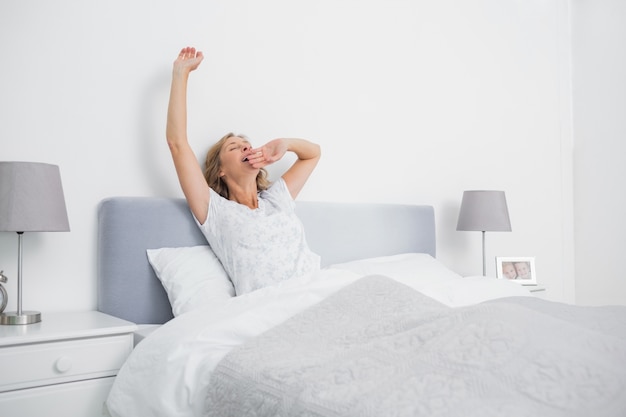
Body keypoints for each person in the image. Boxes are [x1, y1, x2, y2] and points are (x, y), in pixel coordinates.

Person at [166, 46, 322, 295]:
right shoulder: (215, 210)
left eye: (246, 144)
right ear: (220, 171)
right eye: (234, 148)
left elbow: (313, 153)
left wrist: (287, 144)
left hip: (317, 291)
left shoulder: (276, 199)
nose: (245, 147)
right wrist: (180, 74)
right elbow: (177, 144)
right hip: (271, 306)